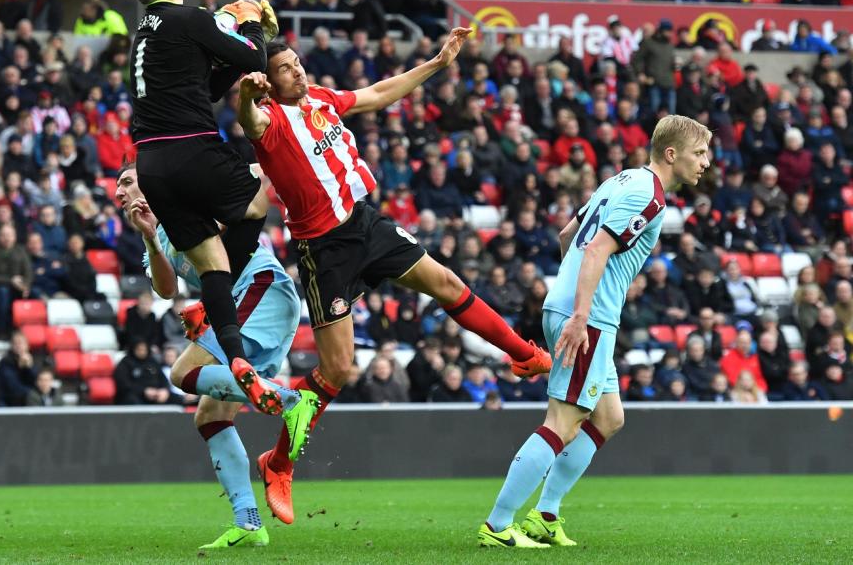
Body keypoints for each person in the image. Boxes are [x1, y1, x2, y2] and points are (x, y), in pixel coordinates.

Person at [235, 31, 552, 525]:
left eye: (297, 62)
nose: (298, 70)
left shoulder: (321, 98)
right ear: (269, 85)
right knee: (339, 370)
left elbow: (379, 93)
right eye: (285, 69)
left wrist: (437, 63)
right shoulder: (269, 119)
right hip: (324, 250)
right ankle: (277, 463)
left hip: (366, 224)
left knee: (446, 283)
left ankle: (523, 354)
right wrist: (248, 95)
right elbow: (248, 118)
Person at [479, 115, 711, 548]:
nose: (706, 163)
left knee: (608, 418)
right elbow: (599, 248)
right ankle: (497, 524)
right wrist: (580, 315)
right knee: (562, 423)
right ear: (672, 153)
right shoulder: (650, 197)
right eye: (699, 153)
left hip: (573, 306)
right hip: (587, 318)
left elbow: (570, 235)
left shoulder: (619, 181)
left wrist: (569, 297)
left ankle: (544, 516)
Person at [114, 162, 318, 550]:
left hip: (261, 289)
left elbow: (256, 172)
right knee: (209, 415)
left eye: (126, 182)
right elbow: (165, 289)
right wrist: (150, 240)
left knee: (181, 373)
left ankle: (292, 400)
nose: (120, 193)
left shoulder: (188, 199)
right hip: (253, 304)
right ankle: (249, 522)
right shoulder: (158, 231)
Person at [116, 0, 284, 412]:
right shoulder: (188, 18)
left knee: (211, 262)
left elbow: (205, 88)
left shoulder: (146, 33)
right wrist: (250, 20)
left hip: (152, 163)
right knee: (256, 203)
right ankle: (214, 312)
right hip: (190, 148)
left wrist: (234, 40)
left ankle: (236, 361)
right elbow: (254, 56)